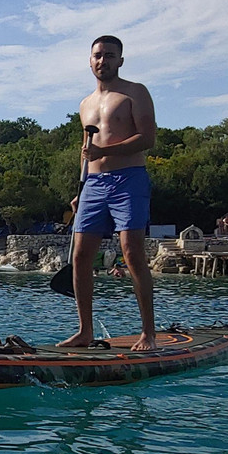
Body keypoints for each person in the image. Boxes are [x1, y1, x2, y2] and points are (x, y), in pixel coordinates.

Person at [59, 35, 158, 351]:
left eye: (110, 56)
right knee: (80, 256)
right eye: (98, 56)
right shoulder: (85, 104)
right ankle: (85, 331)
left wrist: (104, 150)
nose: (103, 61)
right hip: (94, 185)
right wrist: (81, 186)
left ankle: (148, 334)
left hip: (129, 180)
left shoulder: (135, 92)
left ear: (121, 60)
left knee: (131, 252)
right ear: (90, 61)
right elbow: (86, 151)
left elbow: (147, 138)